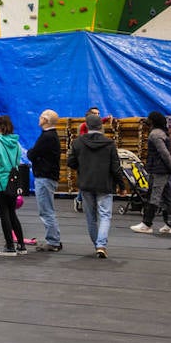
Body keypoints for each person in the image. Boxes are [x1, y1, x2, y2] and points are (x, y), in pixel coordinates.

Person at [68, 111, 118, 259]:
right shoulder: (109, 143)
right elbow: (116, 167)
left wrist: (83, 167)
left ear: (87, 126)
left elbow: (71, 162)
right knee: (105, 215)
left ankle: (97, 244)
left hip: (86, 183)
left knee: (91, 217)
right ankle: (101, 245)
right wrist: (121, 185)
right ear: (101, 126)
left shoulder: (77, 143)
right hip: (104, 184)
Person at [0, 115, 27, 256]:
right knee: (12, 213)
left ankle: (9, 246)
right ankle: (21, 245)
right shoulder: (16, 144)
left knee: (4, 214)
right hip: (13, 183)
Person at [132, 110, 171, 235]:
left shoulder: (154, 134)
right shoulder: (163, 133)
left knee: (154, 196)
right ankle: (170, 225)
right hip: (163, 170)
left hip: (158, 170)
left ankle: (147, 224)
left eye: (149, 119)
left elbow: (164, 153)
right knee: (166, 196)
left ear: (153, 121)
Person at [26, 109, 64, 251]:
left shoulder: (47, 137)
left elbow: (33, 153)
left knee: (46, 210)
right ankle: (54, 239)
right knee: (47, 209)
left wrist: (31, 153)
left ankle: (53, 241)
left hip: (45, 176)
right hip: (48, 176)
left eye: (41, 117)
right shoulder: (50, 136)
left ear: (46, 120)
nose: (39, 118)